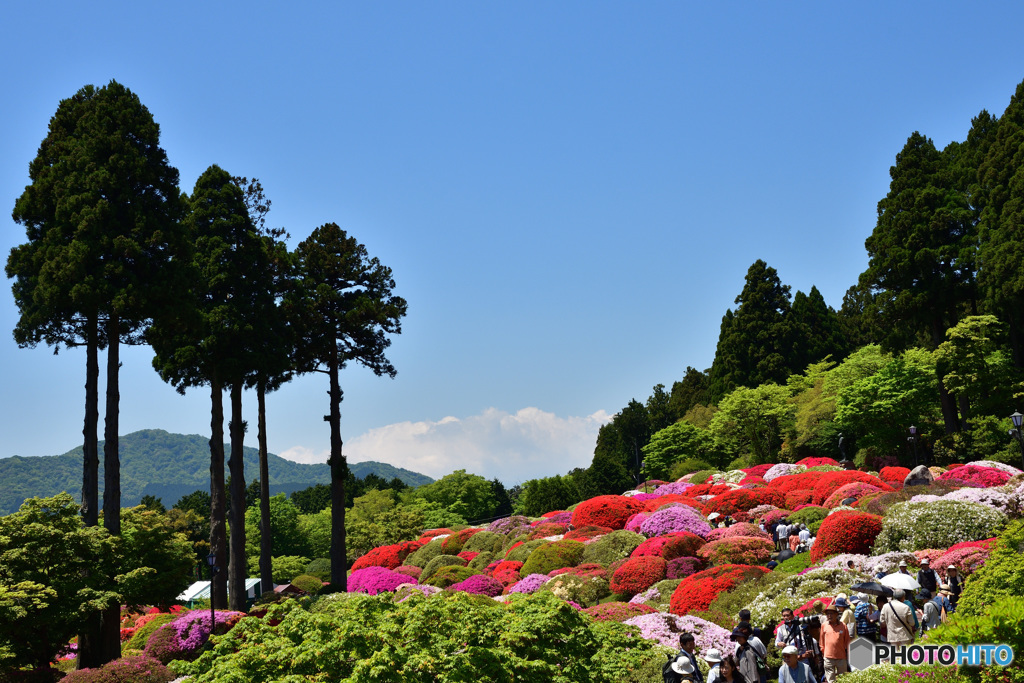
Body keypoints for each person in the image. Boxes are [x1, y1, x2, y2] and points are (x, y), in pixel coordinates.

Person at [820, 605, 851, 683]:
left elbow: (847, 641)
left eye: (831, 613)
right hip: (828, 657)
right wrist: (823, 652)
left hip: (841, 657)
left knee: (843, 679)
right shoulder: (824, 625)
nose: (829, 616)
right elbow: (821, 641)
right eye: (827, 614)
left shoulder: (843, 626)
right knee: (830, 680)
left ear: (836, 614)